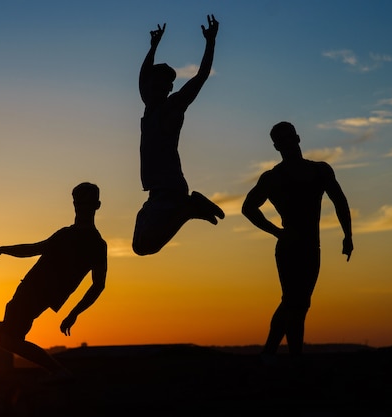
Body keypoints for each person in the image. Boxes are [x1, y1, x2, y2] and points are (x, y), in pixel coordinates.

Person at [242, 122, 353, 361]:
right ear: (276, 146)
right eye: (282, 141)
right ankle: (290, 356)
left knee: (298, 303)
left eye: (289, 138)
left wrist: (348, 235)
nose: (287, 144)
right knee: (295, 301)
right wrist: (276, 232)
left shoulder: (320, 170)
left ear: (297, 138)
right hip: (290, 247)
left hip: (311, 247)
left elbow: (340, 201)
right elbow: (248, 208)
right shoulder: (273, 177)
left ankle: (272, 352)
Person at [0, 182, 107, 379]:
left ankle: (59, 372)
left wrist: (74, 313)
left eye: (83, 204)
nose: (81, 208)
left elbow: (98, 285)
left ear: (95, 206)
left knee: (7, 340)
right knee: (8, 339)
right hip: (37, 291)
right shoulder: (84, 240)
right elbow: (98, 285)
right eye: (79, 204)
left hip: (34, 291)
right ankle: (58, 372)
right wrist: (73, 313)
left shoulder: (85, 240)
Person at [132, 14, 225, 256]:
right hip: (157, 190)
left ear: (168, 88)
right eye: (153, 82)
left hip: (170, 189)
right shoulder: (149, 106)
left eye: (160, 83)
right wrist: (153, 47)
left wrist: (210, 42)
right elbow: (142, 77)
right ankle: (187, 209)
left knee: (143, 247)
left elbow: (201, 77)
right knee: (138, 243)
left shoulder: (171, 107)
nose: (152, 86)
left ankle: (187, 209)